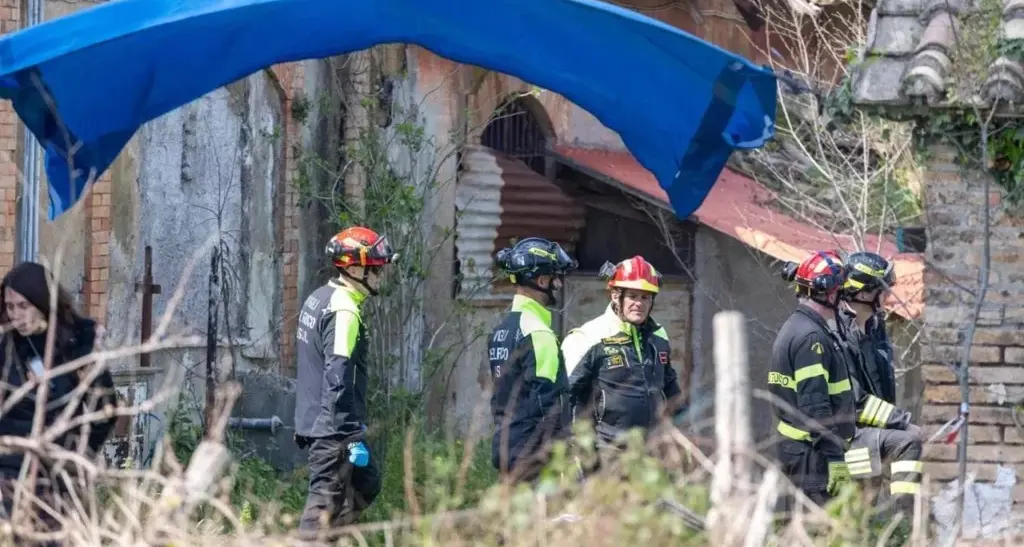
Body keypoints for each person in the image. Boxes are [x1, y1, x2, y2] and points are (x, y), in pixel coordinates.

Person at [0, 261, 117, 539]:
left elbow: (105, 411)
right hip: (11, 471)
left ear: (42, 301)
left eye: (23, 306)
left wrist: (79, 457)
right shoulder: (6, 348)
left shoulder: (79, 343)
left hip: (60, 471)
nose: (16, 315)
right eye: (10, 306)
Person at [293, 226, 396, 532]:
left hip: (321, 420)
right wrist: (350, 436)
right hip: (333, 429)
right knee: (321, 512)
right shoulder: (344, 310)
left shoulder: (319, 297)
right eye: (374, 268)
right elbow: (337, 375)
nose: (380, 275)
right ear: (352, 268)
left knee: (367, 483)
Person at [562, 256, 684, 473]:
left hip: (650, 456)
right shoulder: (588, 337)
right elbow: (564, 398)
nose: (639, 303)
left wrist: (683, 432)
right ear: (616, 296)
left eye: (646, 297)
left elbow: (670, 388)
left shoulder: (659, 336)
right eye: (633, 296)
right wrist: (575, 453)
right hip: (604, 457)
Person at [838, 251, 924, 516]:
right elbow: (856, 401)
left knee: (866, 520)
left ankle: (900, 528)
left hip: (875, 435)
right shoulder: (838, 336)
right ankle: (904, 524)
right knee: (854, 521)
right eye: (883, 289)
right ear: (864, 294)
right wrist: (902, 421)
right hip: (849, 439)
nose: (888, 296)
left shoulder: (875, 327)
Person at [771, 251, 857, 508]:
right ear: (830, 293)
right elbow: (815, 407)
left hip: (801, 452)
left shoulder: (800, 327)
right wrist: (835, 459)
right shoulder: (812, 339)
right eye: (840, 291)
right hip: (812, 456)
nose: (842, 298)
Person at [488, 237, 576, 484]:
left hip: (507, 448)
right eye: (554, 277)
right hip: (534, 458)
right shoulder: (538, 333)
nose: (557, 284)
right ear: (541, 280)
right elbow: (548, 403)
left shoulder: (501, 331)